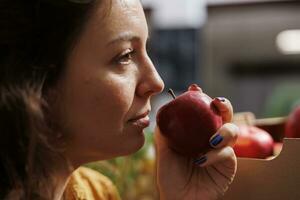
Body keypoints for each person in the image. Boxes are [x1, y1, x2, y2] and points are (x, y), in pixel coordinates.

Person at [0, 0, 239, 199]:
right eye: (125, 56)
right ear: (37, 78)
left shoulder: (100, 193)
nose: (157, 82)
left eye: (146, 49)